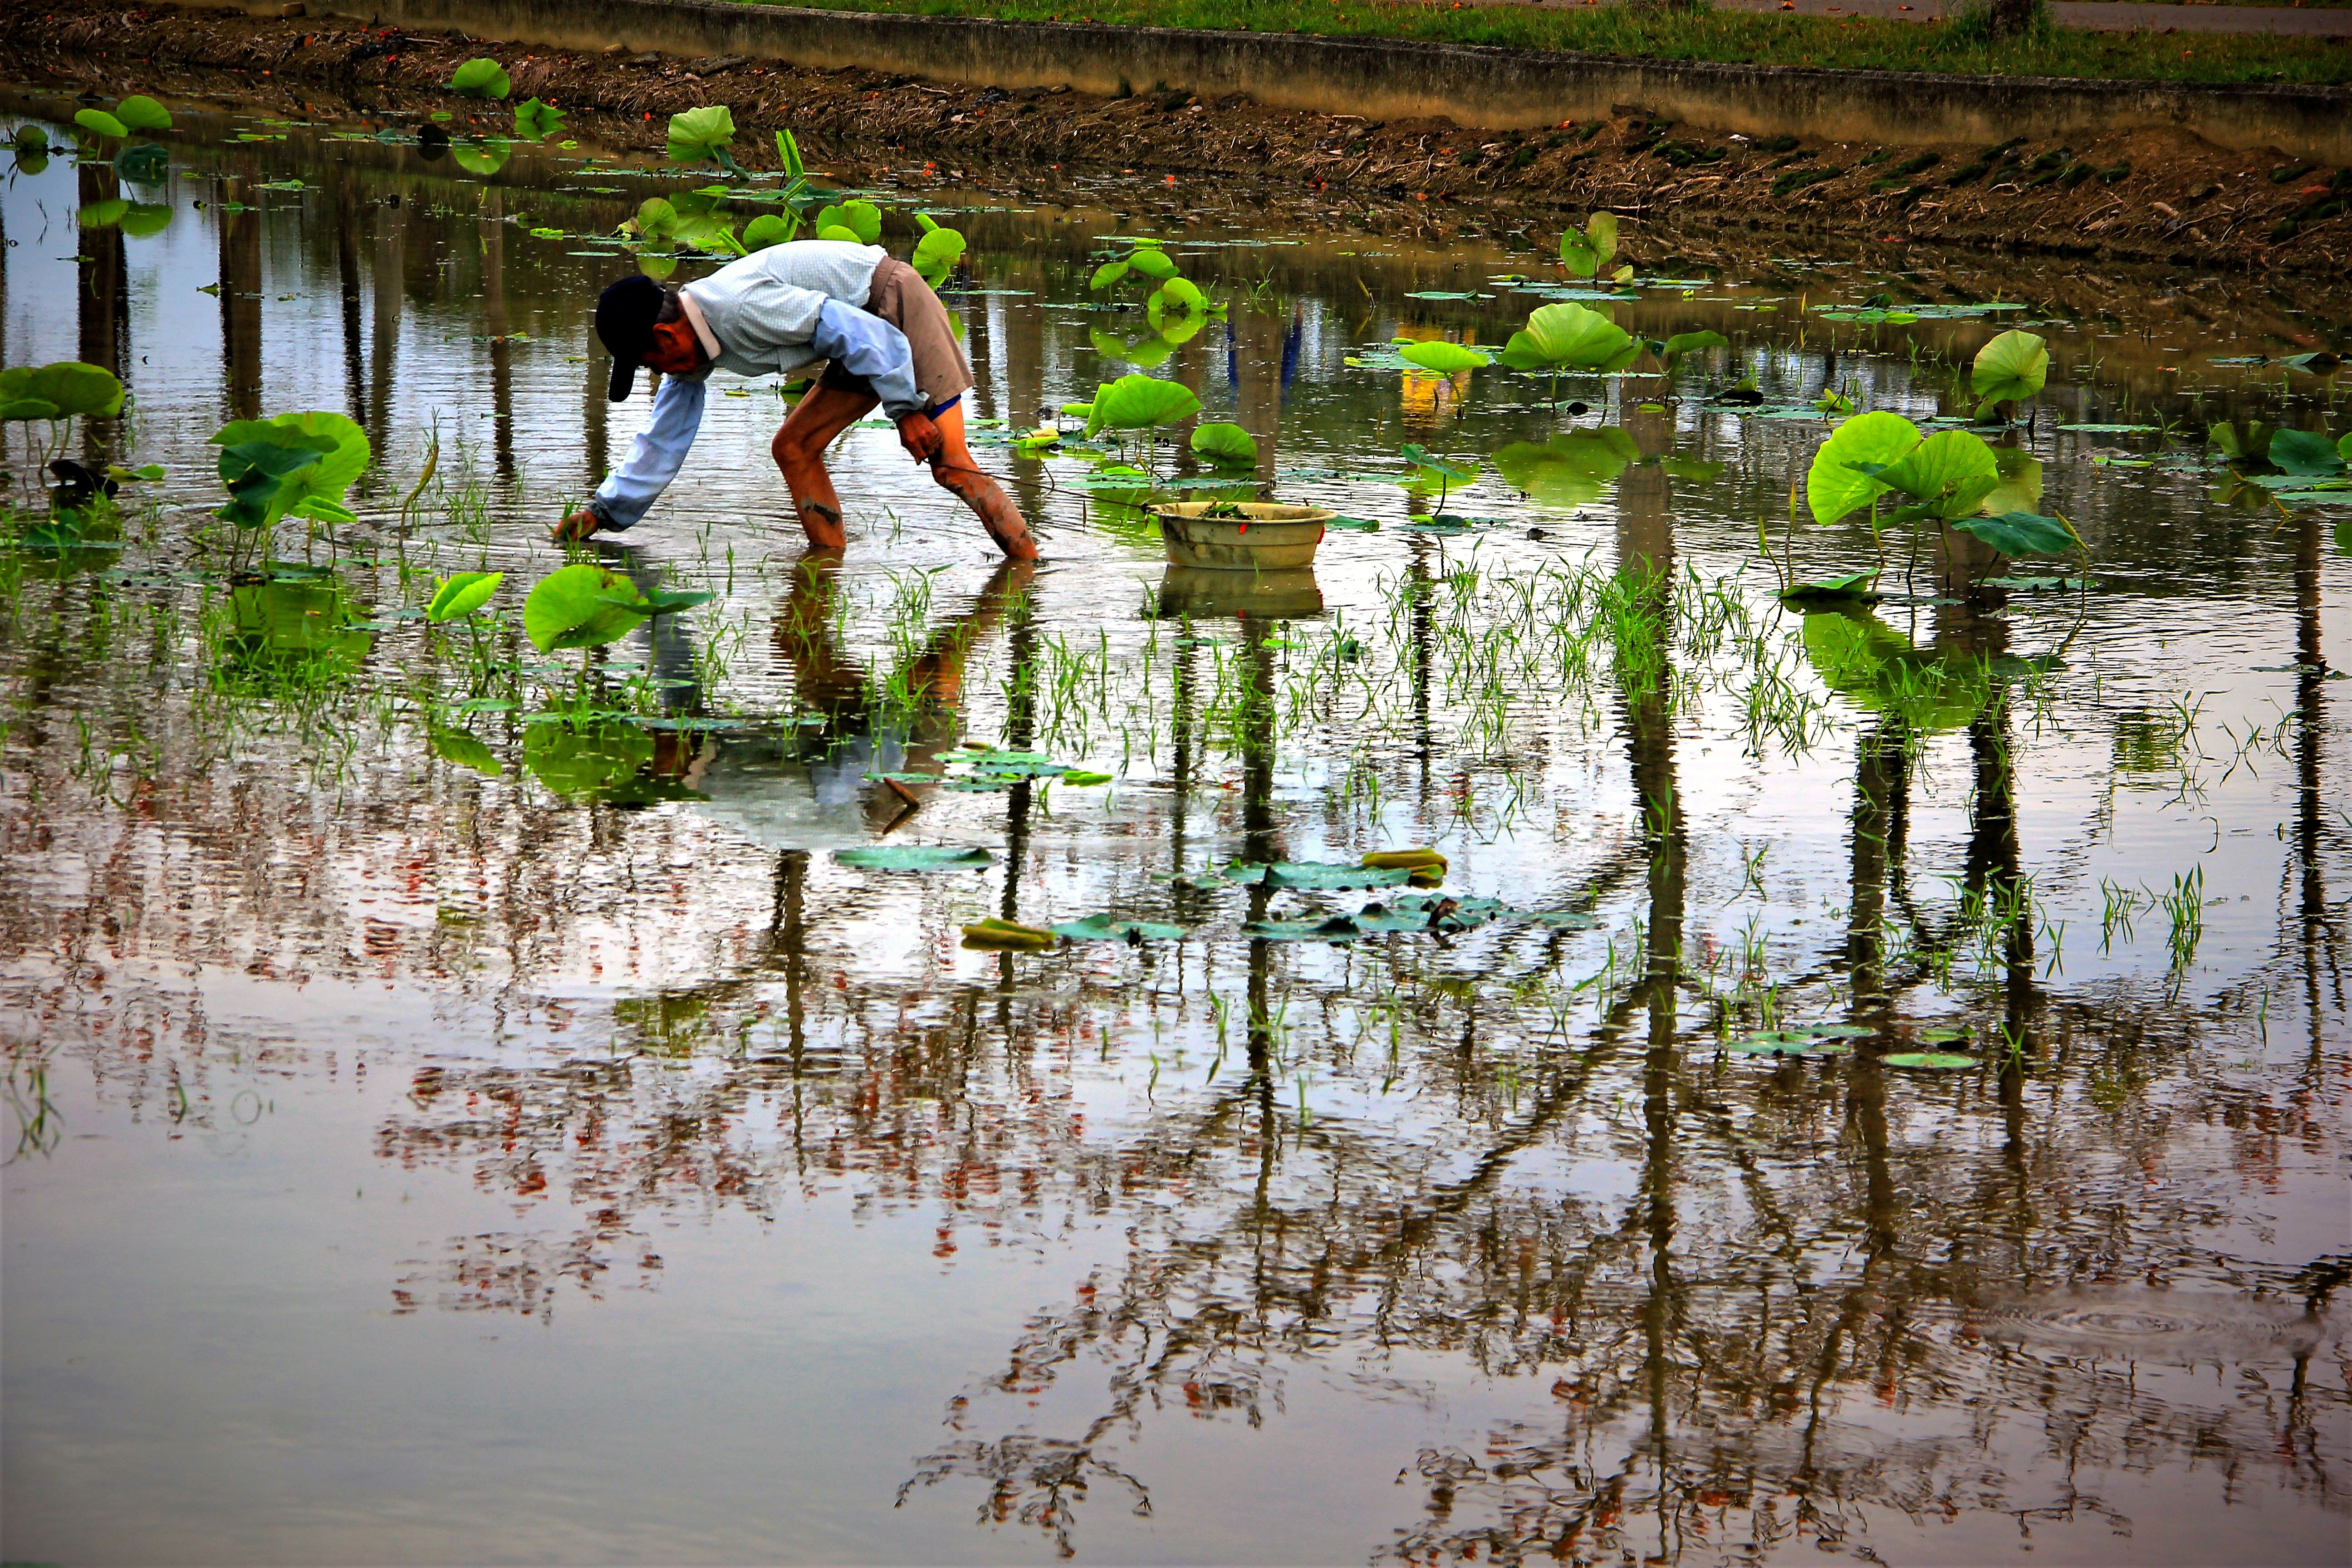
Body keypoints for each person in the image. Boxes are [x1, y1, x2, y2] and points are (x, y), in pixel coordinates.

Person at [556, 239, 1036, 559]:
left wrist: (907, 411)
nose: (659, 374)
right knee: (794, 448)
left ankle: (1028, 569)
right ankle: (828, 566)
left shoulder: (740, 307)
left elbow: (866, 333)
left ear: (665, 337)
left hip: (892, 306)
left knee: (950, 465)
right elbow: (663, 440)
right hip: (860, 336)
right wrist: (602, 513)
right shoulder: (691, 350)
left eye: (650, 363)